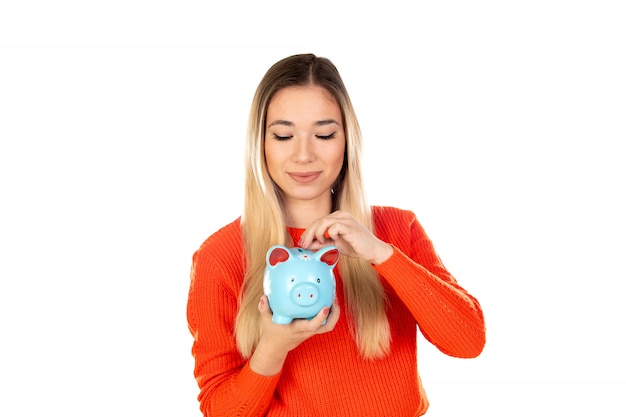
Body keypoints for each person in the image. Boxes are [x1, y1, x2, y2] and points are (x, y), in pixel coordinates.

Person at [186, 53, 486, 416]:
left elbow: (468, 342)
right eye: (283, 135)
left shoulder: (397, 230)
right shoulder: (221, 255)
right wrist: (273, 349)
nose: (303, 155)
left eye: (324, 134)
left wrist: (382, 255)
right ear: (260, 145)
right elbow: (221, 410)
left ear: (347, 141)